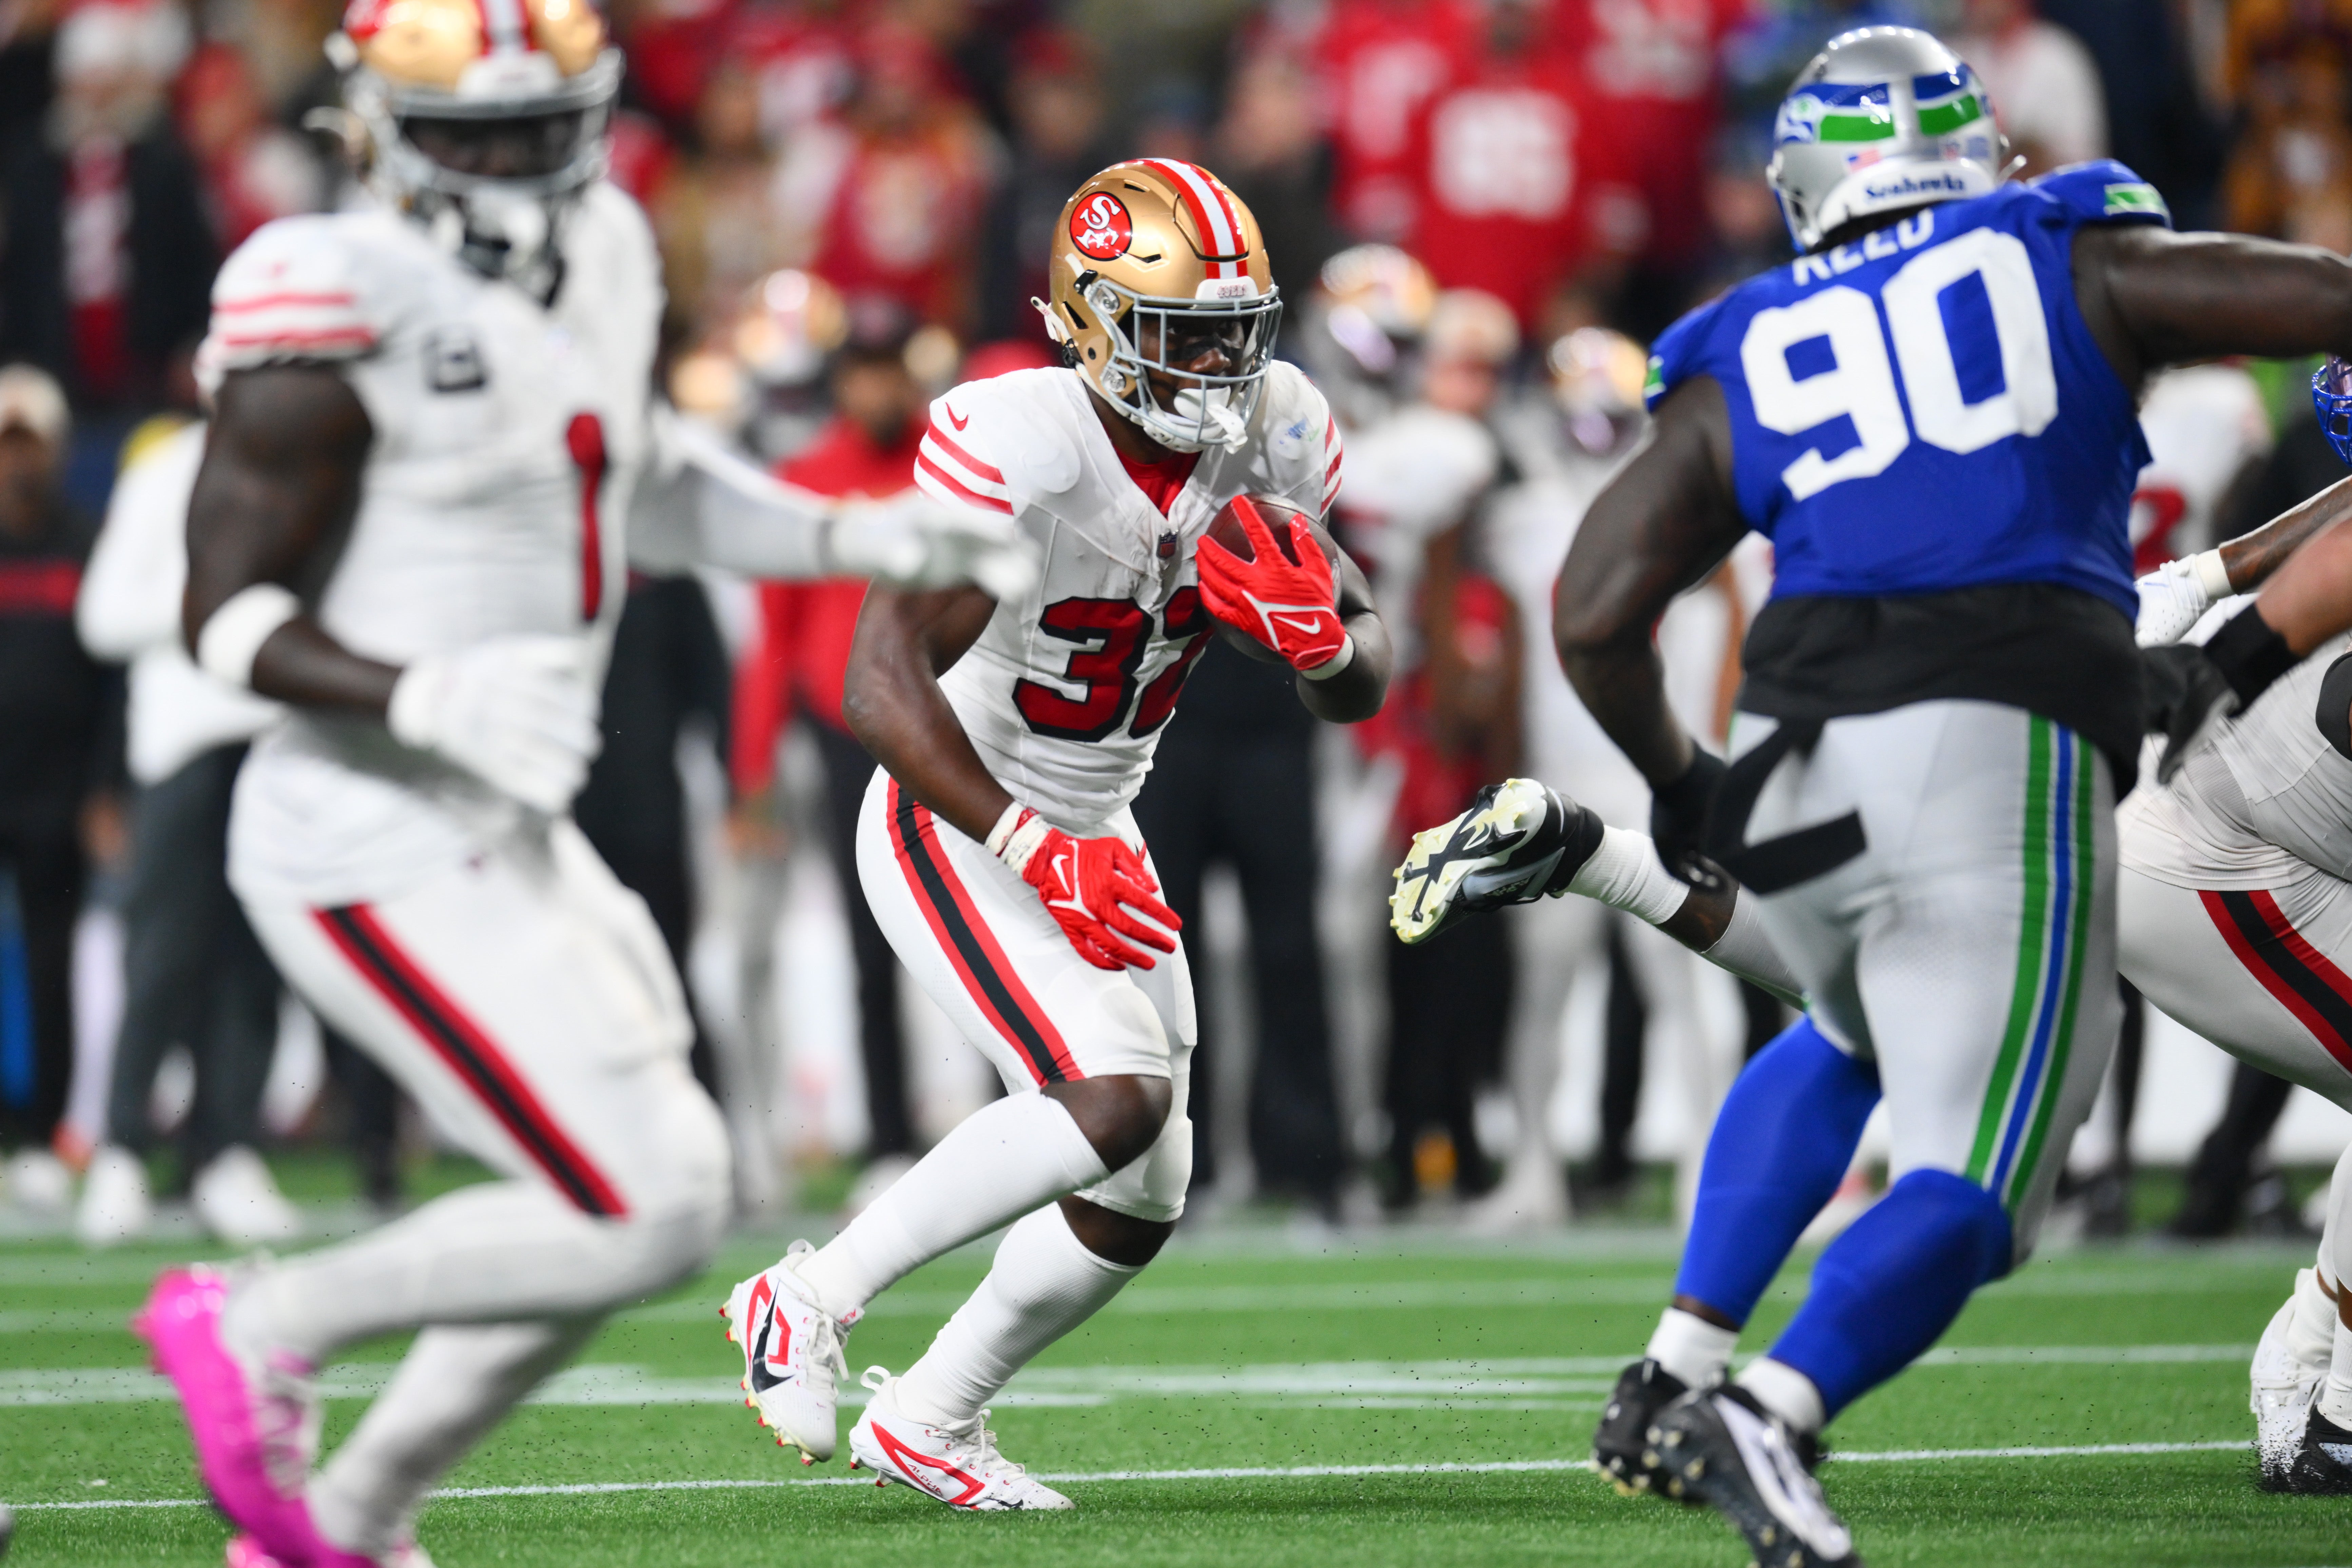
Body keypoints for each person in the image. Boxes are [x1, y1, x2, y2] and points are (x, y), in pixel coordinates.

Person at [1394, 24, 2352, 1565]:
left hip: (1791, 734)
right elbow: (2304, 296)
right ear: (1972, 153)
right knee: (1987, 1188)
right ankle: (1771, 1413)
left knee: (1844, 1030)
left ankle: (1674, 1369)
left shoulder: (1750, 331)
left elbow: (1591, 609)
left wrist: (1681, 786)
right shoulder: (2058, 250)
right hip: (1996, 735)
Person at [129, 3, 1032, 1562]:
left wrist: (844, 535)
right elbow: (219, 612)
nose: (512, 170)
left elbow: (646, 481)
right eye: (471, 137)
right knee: (639, 1203)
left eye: (539, 130)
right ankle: (263, 1323)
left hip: (509, 817)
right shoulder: (328, 284)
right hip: (364, 823)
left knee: (661, 1190)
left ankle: (345, 1520)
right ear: (380, 131)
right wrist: (424, 691)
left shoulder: (607, 248)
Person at [721, 159, 1387, 1509]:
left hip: (1099, 816)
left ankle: (932, 1417)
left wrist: (1325, 650)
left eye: (1235, 332)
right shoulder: (1024, 440)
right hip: (959, 810)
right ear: (1092, 323)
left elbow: (1364, 663)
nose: (1219, 365)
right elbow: (877, 686)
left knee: (1146, 1185)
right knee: (1115, 1091)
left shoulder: (1277, 429)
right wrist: (1031, 843)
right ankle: (808, 1295)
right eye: (1184, 333)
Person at [73, 418, 301, 1249]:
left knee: (257, 963)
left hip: (282, 742)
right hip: (182, 744)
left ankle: (226, 1151)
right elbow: (102, 616)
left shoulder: (309, 456)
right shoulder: (164, 469)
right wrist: (217, 606)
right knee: (163, 955)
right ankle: (123, 1149)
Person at [733, 311, 932, 1181]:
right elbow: (773, 639)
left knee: (987, 932)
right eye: (865, 370)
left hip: (951, 729)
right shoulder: (807, 480)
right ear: (843, 381)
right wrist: (753, 770)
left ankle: (1017, 1132)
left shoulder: (950, 467)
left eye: (891, 368)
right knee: (870, 941)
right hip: (848, 739)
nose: (878, 388)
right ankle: (890, 1140)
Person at [0, 364, 116, 1210]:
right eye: (7, 446)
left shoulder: (88, 541)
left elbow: (114, 678)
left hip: (58, 789)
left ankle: (46, 1137)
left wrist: (106, 786)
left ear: (58, 449)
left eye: (29, 444)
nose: (19, 462)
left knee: (51, 966)